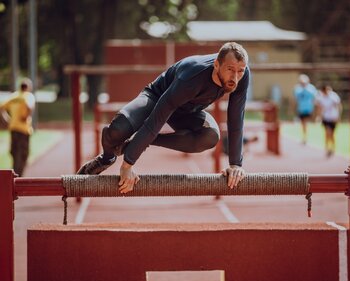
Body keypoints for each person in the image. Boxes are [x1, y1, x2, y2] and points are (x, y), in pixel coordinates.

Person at [78, 42, 250, 194]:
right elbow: (155, 121)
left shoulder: (242, 74)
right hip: (156, 99)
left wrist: (236, 164)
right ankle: (107, 158)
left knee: (211, 137)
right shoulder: (192, 77)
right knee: (116, 131)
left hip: (187, 112)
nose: (235, 78)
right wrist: (127, 165)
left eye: (240, 71)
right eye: (230, 70)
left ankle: (133, 143)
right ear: (216, 64)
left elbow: (236, 119)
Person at [0, 78, 35, 176]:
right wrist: (26, 116)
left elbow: (1, 108)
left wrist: (7, 120)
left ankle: (14, 175)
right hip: (24, 130)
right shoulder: (28, 96)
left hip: (13, 128)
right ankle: (19, 177)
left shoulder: (13, 96)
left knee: (15, 153)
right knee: (23, 154)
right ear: (28, 87)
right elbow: (30, 106)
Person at [316, 84, 342, 157]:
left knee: (332, 134)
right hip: (326, 118)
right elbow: (319, 108)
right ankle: (327, 148)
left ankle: (333, 148)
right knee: (327, 132)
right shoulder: (321, 97)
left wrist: (338, 116)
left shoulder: (334, 96)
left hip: (333, 117)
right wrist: (319, 117)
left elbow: (339, 106)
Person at [292, 74, 317, 144]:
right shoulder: (297, 89)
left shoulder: (311, 88)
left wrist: (315, 110)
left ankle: (305, 137)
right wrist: (293, 109)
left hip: (309, 109)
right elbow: (295, 100)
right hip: (301, 109)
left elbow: (314, 99)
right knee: (303, 124)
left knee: (306, 123)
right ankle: (304, 136)